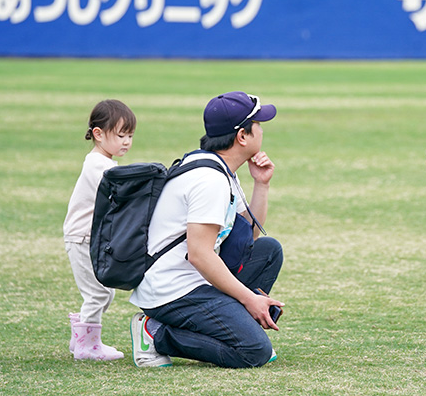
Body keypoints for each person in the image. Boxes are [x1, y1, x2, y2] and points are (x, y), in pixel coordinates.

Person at [129, 91, 284, 369]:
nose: (262, 129)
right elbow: (200, 255)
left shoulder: (219, 168)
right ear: (242, 137)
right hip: (173, 290)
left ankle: (233, 326)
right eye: (257, 123)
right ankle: (155, 334)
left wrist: (262, 184)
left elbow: (249, 237)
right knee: (254, 351)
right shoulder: (209, 180)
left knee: (268, 250)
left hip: (192, 278)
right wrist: (250, 299)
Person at [63, 99, 136, 360]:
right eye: (120, 135)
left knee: (105, 291)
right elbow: (120, 196)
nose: (126, 141)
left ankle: (80, 335)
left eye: (130, 135)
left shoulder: (104, 163)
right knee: (98, 293)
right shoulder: (99, 166)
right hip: (81, 236)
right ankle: (87, 346)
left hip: (87, 237)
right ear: (98, 134)